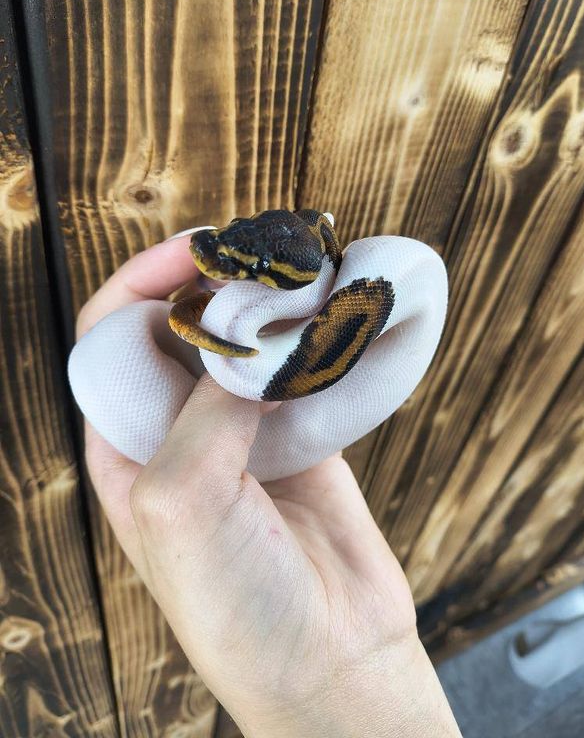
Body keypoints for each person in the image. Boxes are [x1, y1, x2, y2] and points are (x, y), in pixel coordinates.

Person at [76, 231, 462, 737]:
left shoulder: (249, 344)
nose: (217, 262)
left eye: (252, 264)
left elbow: (251, 350)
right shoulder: (329, 271)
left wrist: (244, 362)